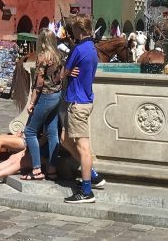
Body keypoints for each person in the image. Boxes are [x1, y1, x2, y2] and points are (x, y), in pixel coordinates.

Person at [60, 15, 104, 203]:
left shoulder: (77, 49)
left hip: (77, 104)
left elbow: (62, 75)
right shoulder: (92, 49)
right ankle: (92, 175)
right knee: (64, 139)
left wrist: (68, 71)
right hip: (85, 100)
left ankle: (87, 190)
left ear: (78, 31)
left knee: (83, 148)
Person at [23, 28, 63, 180]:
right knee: (53, 133)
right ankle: (52, 170)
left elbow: (39, 84)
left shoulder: (43, 57)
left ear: (41, 41)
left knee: (30, 132)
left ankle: (36, 169)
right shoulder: (58, 56)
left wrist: (32, 102)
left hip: (45, 97)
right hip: (57, 95)